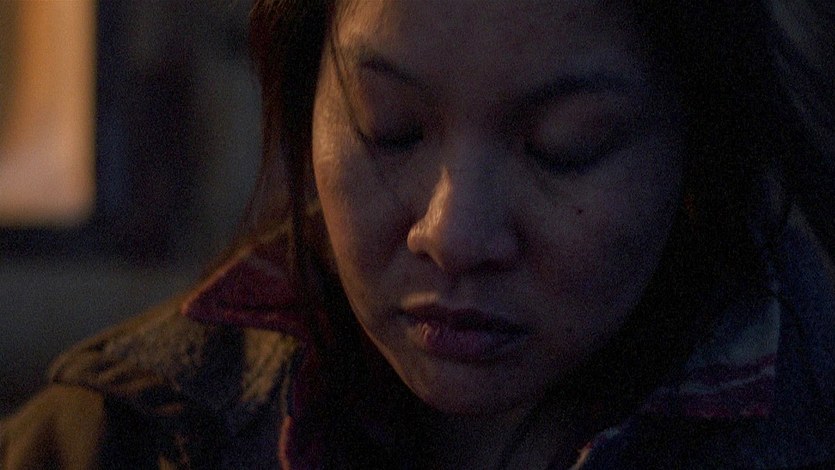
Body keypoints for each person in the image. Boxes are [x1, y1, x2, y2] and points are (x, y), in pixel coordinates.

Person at [2, 0, 834, 468]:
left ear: (699, 146)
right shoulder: (117, 438)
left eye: (564, 145)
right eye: (389, 127)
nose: (453, 235)